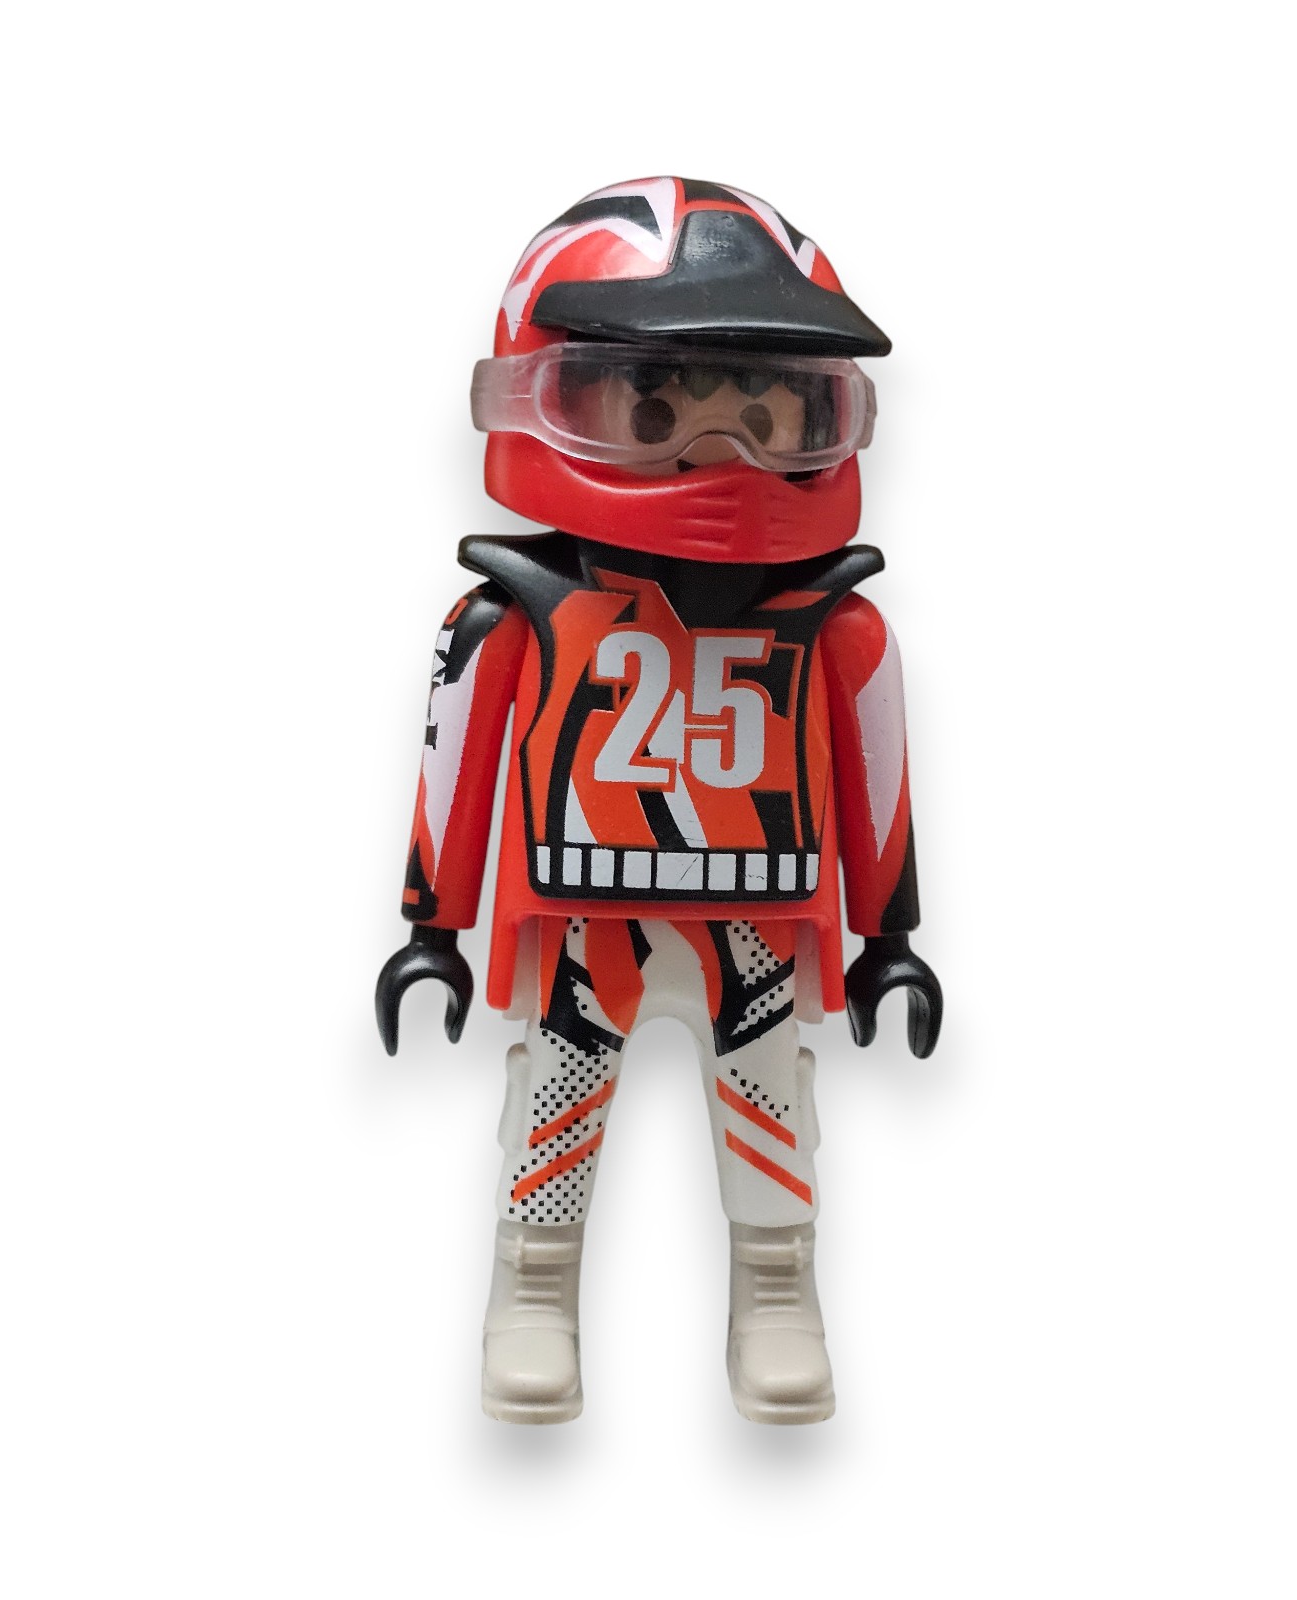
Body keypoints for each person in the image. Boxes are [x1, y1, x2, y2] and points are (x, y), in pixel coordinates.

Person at [376, 177, 941, 1424]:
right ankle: (532, 1286)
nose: (719, 454)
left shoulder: (836, 630)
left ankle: (777, 1287)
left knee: (768, 1098)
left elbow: (876, 788)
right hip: (589, 915)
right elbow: (456, 763)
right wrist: (432, 927)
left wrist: (889, 941)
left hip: (756, 920)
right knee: (556, 1100)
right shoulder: (510, 617)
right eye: (654, 407)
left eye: (767, 413)